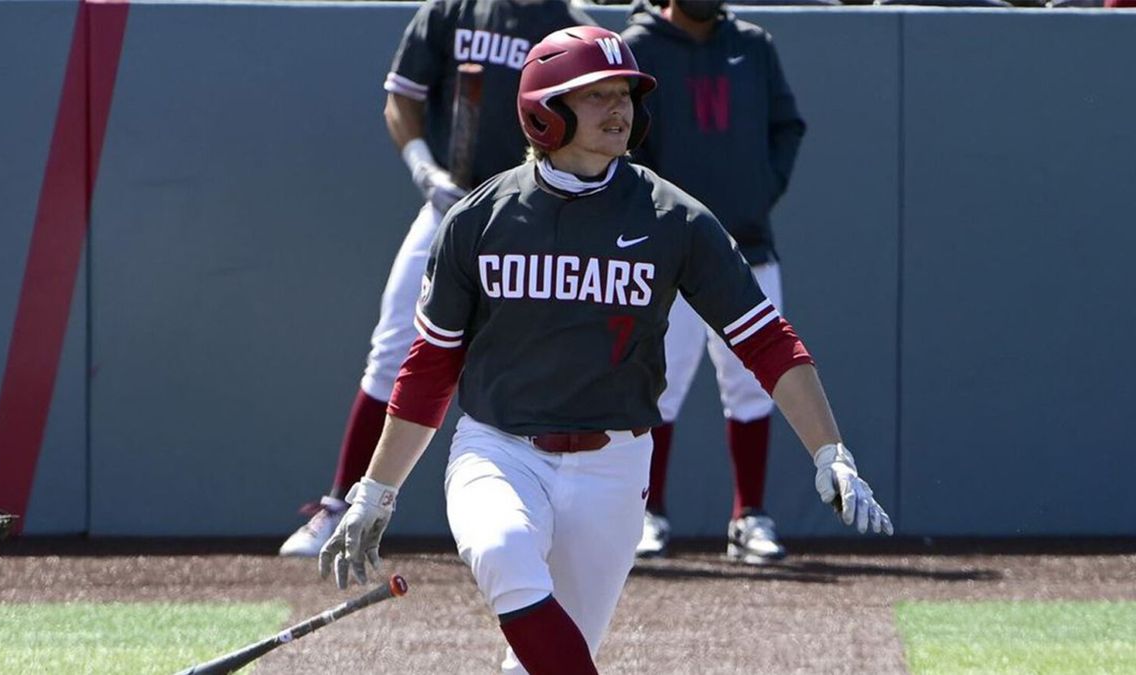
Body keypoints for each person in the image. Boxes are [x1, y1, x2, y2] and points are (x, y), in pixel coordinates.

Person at [319, 26, 893, 674]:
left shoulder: (674, 218)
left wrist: (830, 449)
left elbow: (764, 339)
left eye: (625, 93)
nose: (618, 108)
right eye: (596, 95)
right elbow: (428, 371)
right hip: (499, 451)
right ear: (544, 108)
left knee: (539, 661)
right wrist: (376, 491)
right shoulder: (477, 221)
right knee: (506, 550)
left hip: (615, 468)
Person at [279, 0, 596, 557]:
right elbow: (401, 99)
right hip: (449, 205)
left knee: (550, 361)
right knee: (394, 348)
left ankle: (558, 520)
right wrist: (425, 169)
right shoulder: (451, 10)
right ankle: (344, 505)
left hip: (537, 211)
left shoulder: (571, 23)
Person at [621, 0, 807, 563]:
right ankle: (647, 514)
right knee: (658, 385)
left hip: (746, 245)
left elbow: (787, 127)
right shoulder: (638, 46)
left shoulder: (753, 43)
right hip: (666, 253)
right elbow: (621, 142)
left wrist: (756, 194)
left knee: (755, 384)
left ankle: (749, 515)